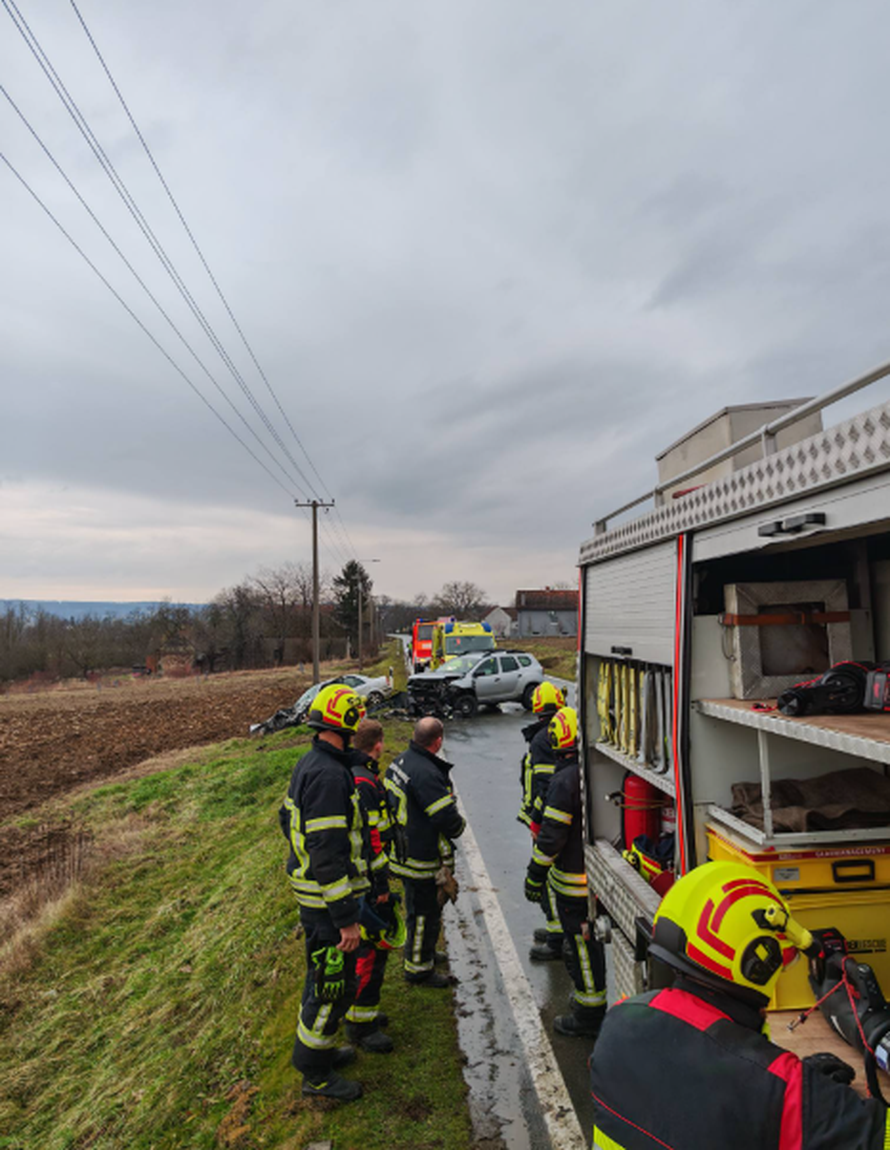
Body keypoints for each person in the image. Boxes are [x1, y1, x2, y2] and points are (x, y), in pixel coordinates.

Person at [589, 860, 890, 1148]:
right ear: (756, 964)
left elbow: (686, 1097)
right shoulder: (780, 1091)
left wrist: (794, 1089)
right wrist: (800, 1096)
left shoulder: (618, 1021)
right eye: (780, 967)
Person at [280, 683, 369, 1103]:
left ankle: (320, 1052)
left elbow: (287, 820)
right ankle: (315, 1074)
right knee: (333, 986)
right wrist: (346, 919)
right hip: (326, 905)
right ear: (347, 721)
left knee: (323, 980)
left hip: (315, 899)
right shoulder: (331, 777)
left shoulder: (310, 763)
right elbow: (328, 855)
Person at [524, 705, 607, 1037]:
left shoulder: (563, 781)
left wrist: (534, 876)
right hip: (594, 876)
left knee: (583, 947)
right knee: (587, 946)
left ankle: (589, 1015)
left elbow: (551, 838)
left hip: (573, 886)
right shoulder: (591, 770)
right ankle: (589, 1002)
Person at [385, 716, 465, 987]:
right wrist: (459, 825)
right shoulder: (427, 773)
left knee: (424, 910)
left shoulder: (400, 761)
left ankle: (426, 952)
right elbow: (446, 818)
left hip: (404, 849)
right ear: (438, 741)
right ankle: (418, 969)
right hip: (419, 857)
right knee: (423, 914)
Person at [344, 718, 397, 1053]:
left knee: (370, 954)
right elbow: (370, 839)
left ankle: (365, 1015)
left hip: (365, 878)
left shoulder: (359, 774)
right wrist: (380, 885)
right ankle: (360, 1026)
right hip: (365, 883)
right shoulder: (363, 781)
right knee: (368, 955)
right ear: (377, 744)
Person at [517, 681, 567, 963]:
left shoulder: (541, 740)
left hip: (546, 821)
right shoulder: (555, 734)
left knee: (548, 876)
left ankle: (556, 937)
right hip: (551, 819)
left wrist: (538, 823)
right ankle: (553, 930)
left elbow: (544, 787)